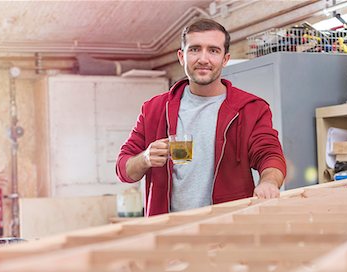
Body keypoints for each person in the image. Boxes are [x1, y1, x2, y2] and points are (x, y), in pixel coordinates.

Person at [116, 18, 286, 216]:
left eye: (213, 50)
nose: (203, 59)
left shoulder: (251, 108)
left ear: (225, 59)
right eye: (195, 49)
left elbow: (270, 155)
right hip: (169, 233)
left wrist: (268, 182)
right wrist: (145, 158)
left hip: (229, 229)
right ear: (182, 56)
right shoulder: (154, 109)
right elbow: (123, 169)